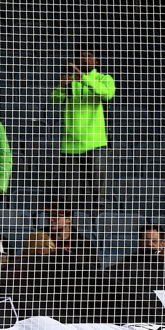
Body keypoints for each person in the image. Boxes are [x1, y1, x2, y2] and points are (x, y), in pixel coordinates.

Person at [49, 46, 115, 211]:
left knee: (99, 194)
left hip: (96, 144)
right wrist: (62, 86)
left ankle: (99, 223)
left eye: (90, 56)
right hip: (71, 145)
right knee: (70, 195)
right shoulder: (70, 80)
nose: (85, 59)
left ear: (96, 61)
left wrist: (83, 78)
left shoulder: (103, 78)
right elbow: (54, 100)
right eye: (82, 56)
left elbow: (107, 94)